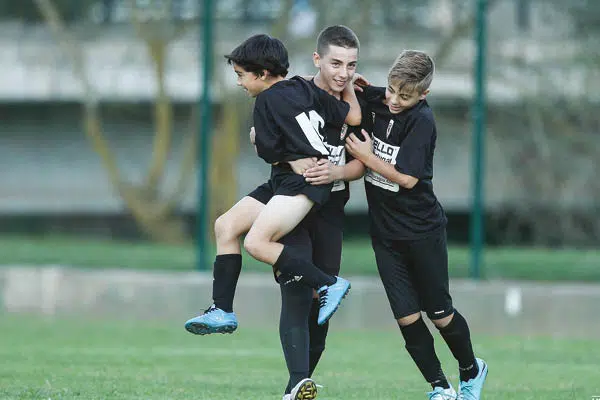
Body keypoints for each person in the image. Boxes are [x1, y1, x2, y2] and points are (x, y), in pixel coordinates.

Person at [345, 50, 488, 400]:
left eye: (404, 96)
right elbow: (340, 89)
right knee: (407, 317)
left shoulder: (422, 121)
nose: (393, 100)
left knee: (439, 315)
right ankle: (440, 387)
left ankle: (472, 369)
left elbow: (407, 179)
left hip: (422, 232)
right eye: (392, 90)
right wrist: (352, 84)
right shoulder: (380, 97)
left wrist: (366, 158)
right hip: (385, 235)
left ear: (423, 95)